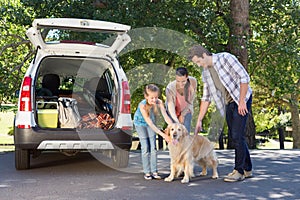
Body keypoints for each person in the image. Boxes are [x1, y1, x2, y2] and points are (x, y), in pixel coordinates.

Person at [189, 45, 253, 182]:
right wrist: (199, 120)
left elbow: (244, 77)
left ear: (204, 55)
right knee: (236, 135)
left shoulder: (225, 58)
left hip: (241, 98)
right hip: (228, 103)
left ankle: (239, 171)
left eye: (199, 62)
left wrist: (242, 101)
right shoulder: (206, 73)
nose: (199, 65)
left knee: (236, 135)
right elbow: (206, 98)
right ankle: (247, 168)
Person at [133, 84, 172, 180]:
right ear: (146, 96)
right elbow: (149, 123)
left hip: (151, 123)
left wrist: (172, 126)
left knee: (153, 148)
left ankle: (154, 171)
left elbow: (165, 116)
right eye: (151, 98)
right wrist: (163, 135)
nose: (154, 100)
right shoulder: (142, 105)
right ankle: (147, 172)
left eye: (156, 97)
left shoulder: (159, 102)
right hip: (141, 124)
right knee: (145, 147)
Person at [165, 67, 197, 133]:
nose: (180, 84)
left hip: (186, 109)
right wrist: (177, 122)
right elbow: (171, 107)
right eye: (178, 81)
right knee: (174, 132)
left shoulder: (193, 82)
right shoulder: (170, 88)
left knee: (185, 133)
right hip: (173, 111)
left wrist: (182, 114)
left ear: (187, 77)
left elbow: (191, 100)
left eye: (183, 81)